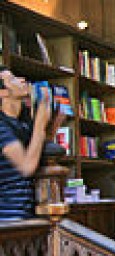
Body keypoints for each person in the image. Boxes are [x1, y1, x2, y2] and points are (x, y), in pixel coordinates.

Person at [0, 67, 64, 220]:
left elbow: (37, 151)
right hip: (8, 214)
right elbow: (27, 167)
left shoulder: (22, 123)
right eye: (13, 79)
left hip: (27, 211)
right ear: (2, 92)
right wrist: (40, 124)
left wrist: (53, 124)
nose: (22, 79)